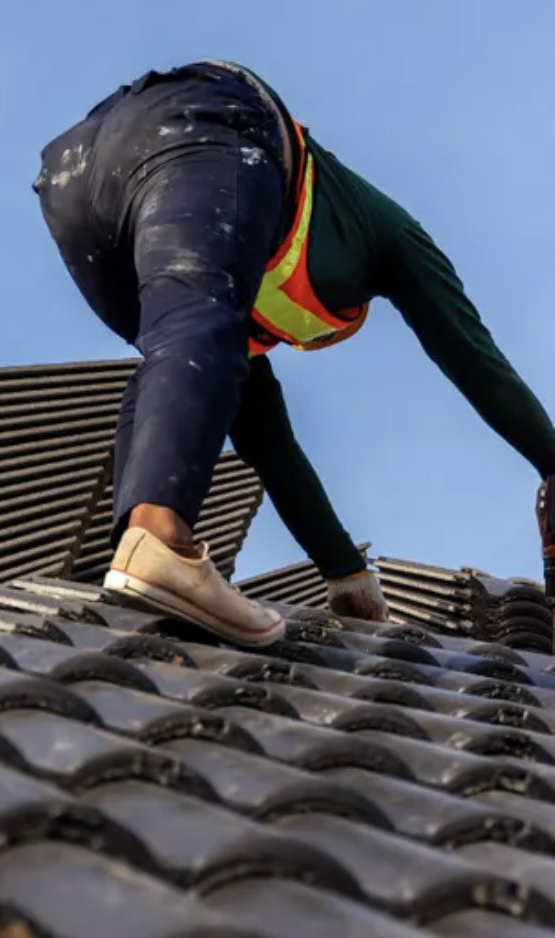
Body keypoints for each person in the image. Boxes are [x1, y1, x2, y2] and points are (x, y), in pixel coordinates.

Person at [34, 60, 555, 647]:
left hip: (75, 179)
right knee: (196, 330)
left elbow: (268, 440)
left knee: (179, 359)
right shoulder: (387, 234)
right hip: (203, 121)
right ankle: (159, 539)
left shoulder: (233, 294)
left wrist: (345, 572)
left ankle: (137, 560)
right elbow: (473, 357)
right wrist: (549, 461)